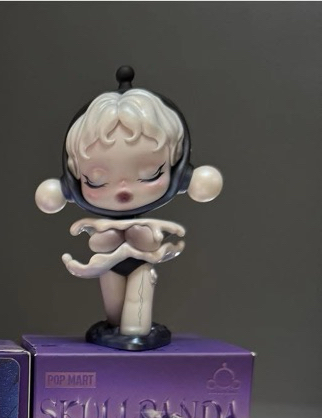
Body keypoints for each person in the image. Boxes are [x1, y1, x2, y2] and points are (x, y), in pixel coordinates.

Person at [34, 66, 223, 350]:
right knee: (113, 314)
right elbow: (99, 244)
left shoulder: (145, 228)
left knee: (136, 314)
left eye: (150, 173)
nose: (123, 191)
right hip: (108, 267)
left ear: (178, 169)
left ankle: (135, 332)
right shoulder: (102, 227)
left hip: (141, 266)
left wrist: (139, 239)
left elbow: (148, 243)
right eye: (96, 180)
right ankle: (116, 328)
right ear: (74, 178)